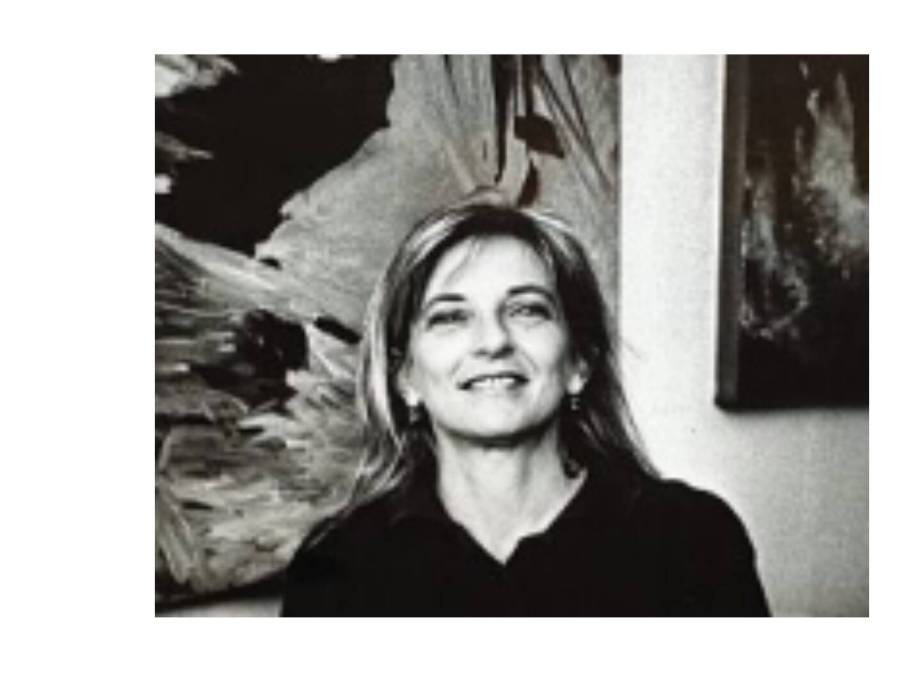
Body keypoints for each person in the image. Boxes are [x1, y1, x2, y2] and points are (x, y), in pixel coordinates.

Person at [281, 194, 770, 616]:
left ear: (580, 360)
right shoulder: (338, 568)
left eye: (527, 310)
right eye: (450, 317)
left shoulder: (693, 541)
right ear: (405, 376)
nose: (493, 341)